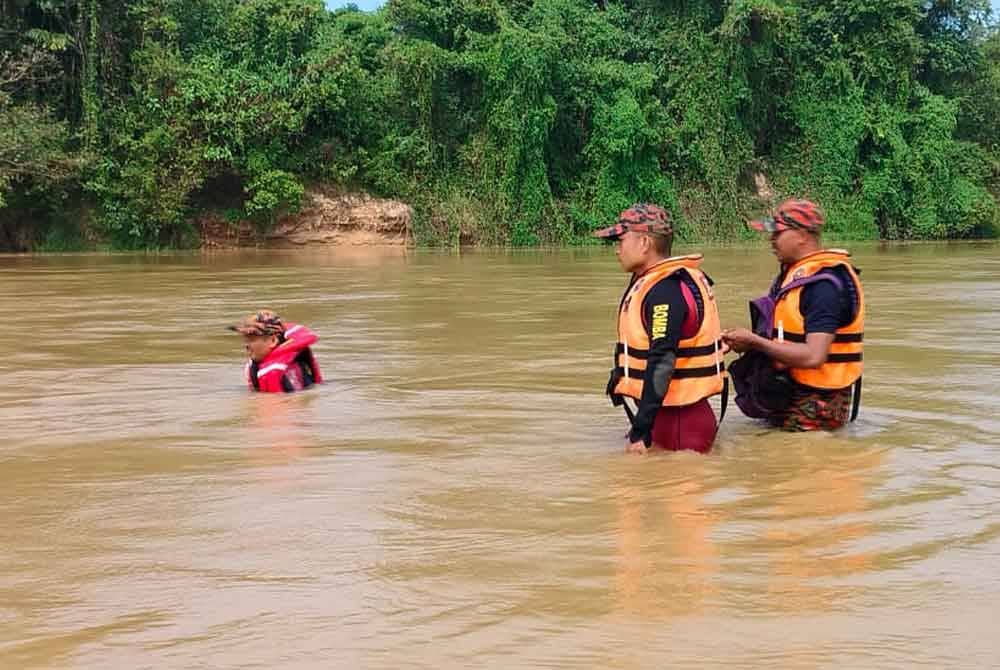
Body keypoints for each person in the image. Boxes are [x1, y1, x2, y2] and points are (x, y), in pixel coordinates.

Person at [722, 199, 865, 431]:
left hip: (818, 401)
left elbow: (813, 356)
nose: (771, 240)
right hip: (788, 392)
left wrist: (755, 342)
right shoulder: (794, 275)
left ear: (801, 235)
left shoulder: (824, 287)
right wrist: (747, 343)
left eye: (777, 233)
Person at [596, 203, 727, 455]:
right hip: (675, 421)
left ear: (644, 243)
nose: (617, 250)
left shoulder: (664, 291)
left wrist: (640, 430)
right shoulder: (658, 283)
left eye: (621, 241)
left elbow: (662, 362)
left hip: (679, 427)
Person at [228, 310, 323, 393]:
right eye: (245, 340)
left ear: (273, 341)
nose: (246, 345)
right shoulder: (258, 364)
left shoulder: (286, 372)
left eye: (251, 340)